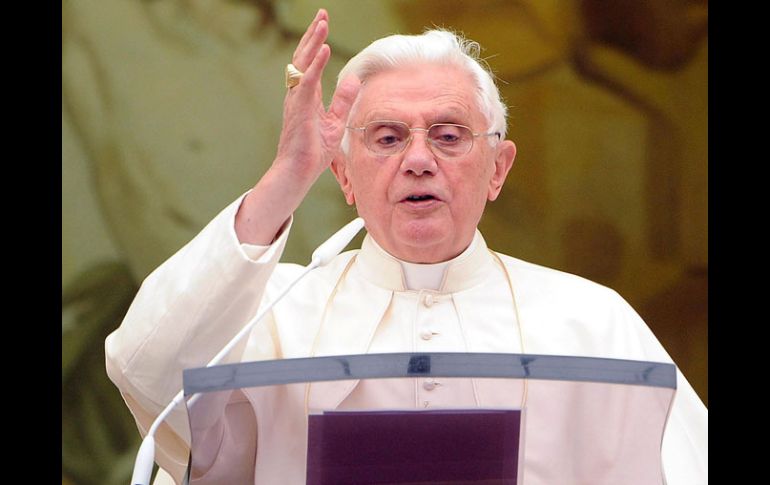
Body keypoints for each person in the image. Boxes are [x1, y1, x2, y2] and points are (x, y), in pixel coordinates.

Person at [105, 9, 707, 485]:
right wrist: (286, 176)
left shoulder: (592, 322)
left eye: (448, 136)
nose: (418, 161)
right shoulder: (273, 316)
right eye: (387, 137)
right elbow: (146, 371)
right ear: (343, 176)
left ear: (498, 169)